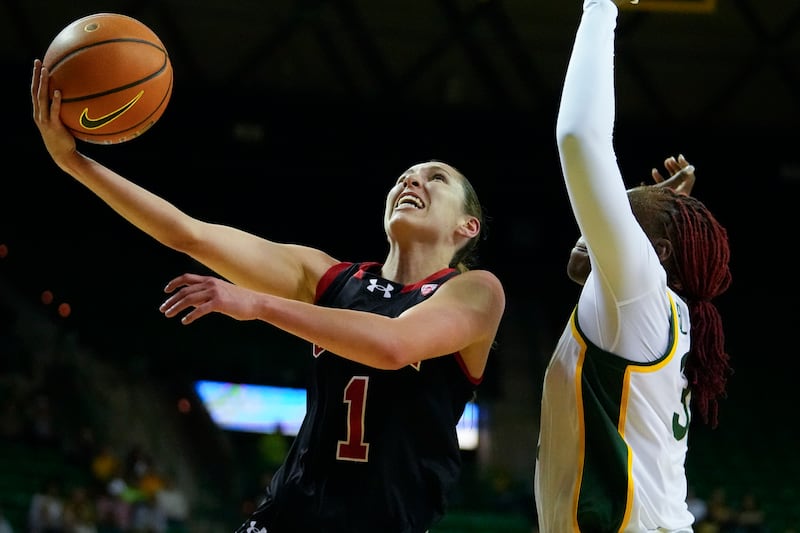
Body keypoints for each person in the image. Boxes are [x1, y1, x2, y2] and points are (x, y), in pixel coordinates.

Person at [31, 59, 506, 533]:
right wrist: (73, 162)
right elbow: (188, 234)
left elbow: (393, 346)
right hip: (286, 518)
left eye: (435, 177)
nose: (411, 181)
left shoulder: (474, 291)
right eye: (404, 176)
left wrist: (257, 304)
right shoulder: (330, 279)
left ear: (468, 227)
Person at [533, 1, 732, 532]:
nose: (627, 196)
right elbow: (580, 260)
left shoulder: (642, 291)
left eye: (634, 199)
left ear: (657, 254)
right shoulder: (653, 310)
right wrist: (645, 205)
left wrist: (602, 6)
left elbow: (580, 139)